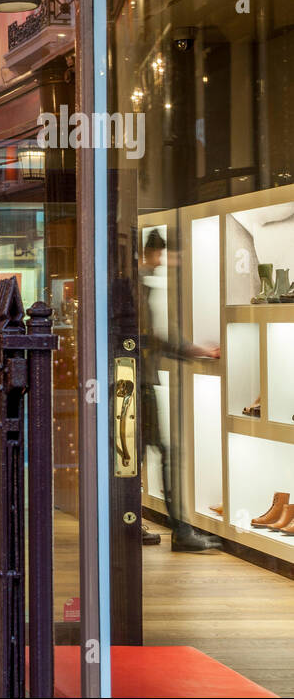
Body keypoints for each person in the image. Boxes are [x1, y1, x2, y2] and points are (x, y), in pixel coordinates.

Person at [140, 230, 222, 552]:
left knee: (142, 455)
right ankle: (180, 530)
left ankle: (140, 523)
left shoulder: (137, 286)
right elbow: (151, 337)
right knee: (160, 454)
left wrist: (191, 349)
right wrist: (191, 349)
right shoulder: (136, 287)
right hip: (136, 382)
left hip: (134, 381)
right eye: (158, 255)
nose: (161, 262)